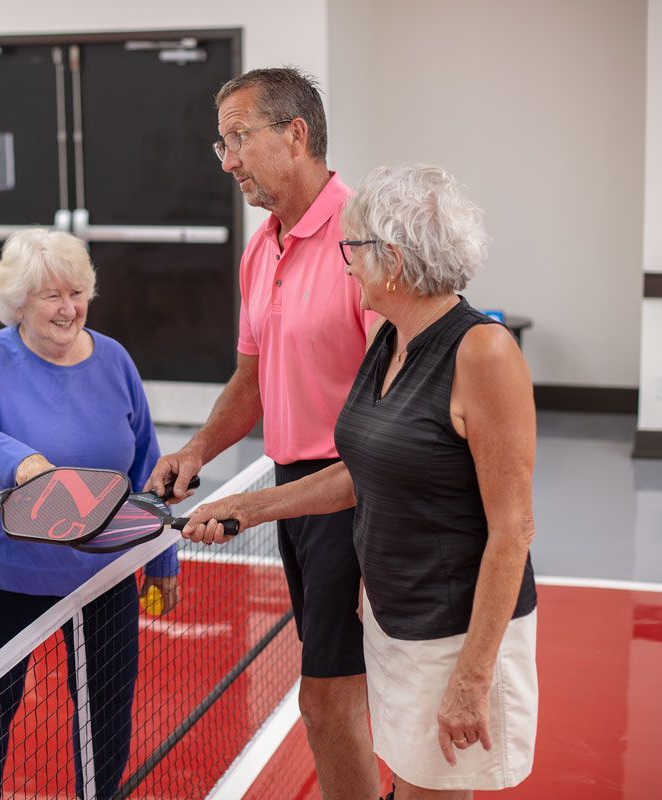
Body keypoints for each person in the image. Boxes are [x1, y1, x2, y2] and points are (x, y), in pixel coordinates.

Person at [183, 164, 539, 799]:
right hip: (393, 618)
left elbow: (513, 530)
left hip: (453, 633)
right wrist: (249, 507)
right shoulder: (391, 341)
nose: (346, 266)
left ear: (394, 260)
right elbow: (359, 474)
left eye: (354, 251)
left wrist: (473, 678)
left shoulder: (483, 353)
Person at [146, 67, 379, 799]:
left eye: (239, 138)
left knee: (331, 698)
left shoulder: (362, 237)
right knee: (343, 688)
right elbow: (252, 380)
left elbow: (395, 407)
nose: (227, 159)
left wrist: (263, 507)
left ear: (297, 135)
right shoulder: (263, 246)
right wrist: (195, 451)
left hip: (356, 494)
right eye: (222, 143)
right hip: (295, 492)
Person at [0, 228, 179, 800]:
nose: (68, 308)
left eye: (77, 292)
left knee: (106, 717)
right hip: (4, 574)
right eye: (51, 295)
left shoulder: (115, 359)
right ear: (18, 301)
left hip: (105, 575)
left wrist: (163, 561)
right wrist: (23, 463)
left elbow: (148, 466)